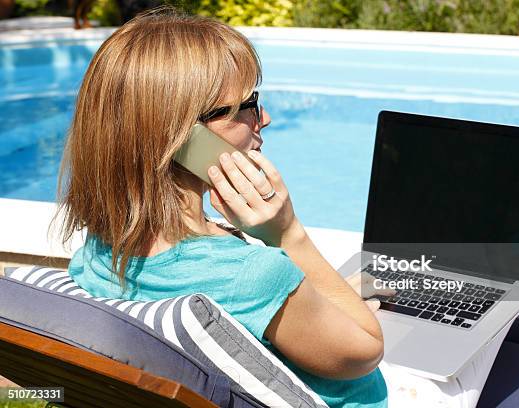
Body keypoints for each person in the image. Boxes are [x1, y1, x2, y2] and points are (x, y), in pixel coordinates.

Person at [54, 8, 388, 408]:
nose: (264, 117)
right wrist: (287, 234)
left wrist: (315, 297)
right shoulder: (250, 277)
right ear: (182, 136)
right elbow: (367, 349)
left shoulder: (101, 252)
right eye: (246, 105)